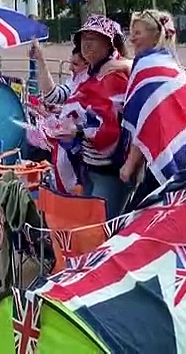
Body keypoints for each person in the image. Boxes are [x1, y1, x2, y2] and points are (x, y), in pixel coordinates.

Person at [119, 10, 186, 211]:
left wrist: (129, 165)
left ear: (155, 35)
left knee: (134, 218)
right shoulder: (170, 64)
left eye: (137, 33)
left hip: (164, 156)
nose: (132, 39)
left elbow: (146, 124)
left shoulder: (146, 66)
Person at [53, 15, 131, 218]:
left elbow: (110, 128)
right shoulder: (91, 74)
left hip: (110, 171)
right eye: (83, 38)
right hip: (90, 166)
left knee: (100, 228)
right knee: (90, 225)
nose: (86, 44)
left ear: (109, 43)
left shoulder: (114, 75)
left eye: (93, 38)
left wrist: (77, 130)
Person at [30, 39, 88, 106]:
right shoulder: (76, 81)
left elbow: (53, 96)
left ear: (88, 64)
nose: (70, 68)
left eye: (75, 64)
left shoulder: (86, 85)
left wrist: (40, 59)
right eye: (70, 63)